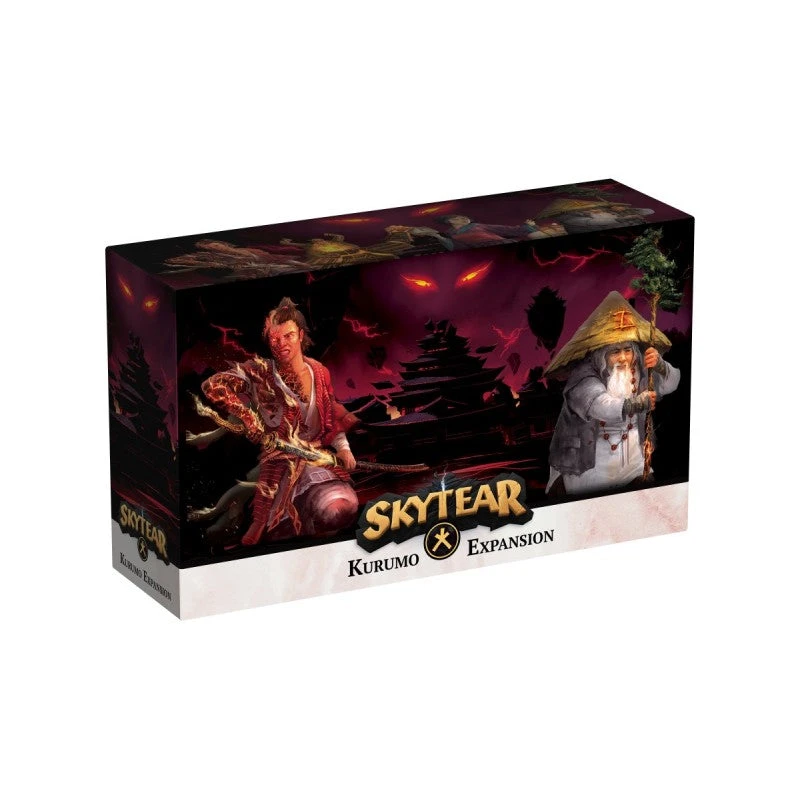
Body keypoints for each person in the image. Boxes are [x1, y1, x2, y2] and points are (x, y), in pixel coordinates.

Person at [201, 298, 359, 545]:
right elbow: (212, 385)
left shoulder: (319, 372)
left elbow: (331, 414)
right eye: (274, 339)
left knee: (341, 508)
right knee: (275, 529)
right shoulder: (260, 372)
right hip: (279, 462)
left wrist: (344, 448)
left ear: (300, 335)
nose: (281, 344)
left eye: (288, 336)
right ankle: (258, 524)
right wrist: (248, 418)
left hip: (317, 458)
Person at [544, 291, 680, 496]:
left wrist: (660, 365)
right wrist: (636, 404)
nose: (623, 358)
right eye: (615, 352)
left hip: (633, 460)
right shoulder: (584, 375)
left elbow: (672, 384)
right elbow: (600, 405)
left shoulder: (640, 369)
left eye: (628, 350)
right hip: (591, 463)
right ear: (602, 354)